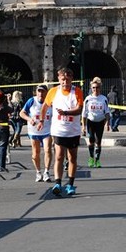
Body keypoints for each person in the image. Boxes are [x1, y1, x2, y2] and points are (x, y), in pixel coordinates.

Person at [38, 67, 84, 196]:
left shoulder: (77, 92)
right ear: (59, 79)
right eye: (63, 79)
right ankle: (58, 183)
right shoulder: (53, 91)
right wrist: (41, 121)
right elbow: (44, 107)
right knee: (59, 156)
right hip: (59, 130)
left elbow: (79, 109)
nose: (65, 82)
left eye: (67, 79)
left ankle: (70, 184)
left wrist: (66, 112)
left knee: (72, 158)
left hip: (73, 131)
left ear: (71, 79)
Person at [20, 85, 52, 183]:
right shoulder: (31, 101)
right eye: (39, 91)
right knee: (35, 153)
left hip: (47, 130)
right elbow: (21, 113)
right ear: (36, 92)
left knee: (47, 150)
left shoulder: (50, 103)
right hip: (34, 131)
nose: (40, 94)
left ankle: (46, 171)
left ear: (46, 93)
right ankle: (38, 172)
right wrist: (29, 119)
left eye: (42, 92)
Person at [82, 77, 110, 168]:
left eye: (97, 87)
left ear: (100, 88)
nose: (95, 89)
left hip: (100, 122)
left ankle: (97, 160)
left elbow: (107, 112)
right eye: (93, 88)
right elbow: (84, 113)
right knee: (91, 141)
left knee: (98, 142)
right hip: (91, 122)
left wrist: (107, 124)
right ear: (91, 88)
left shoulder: (103, 98)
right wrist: (83, 126)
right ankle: (91, 158)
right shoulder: (88, 99)